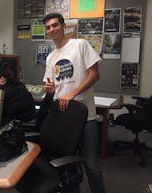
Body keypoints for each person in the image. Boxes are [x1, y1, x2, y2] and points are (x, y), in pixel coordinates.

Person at [43, 13, 106, 193]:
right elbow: (53, 87)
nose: (52, 30)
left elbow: (95, 74)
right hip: (63, 119)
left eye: (55, 25)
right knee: (67, 164)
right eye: (48, 27)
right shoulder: (50, 57)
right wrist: (50, 89)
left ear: (64, 26)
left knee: (91, 164)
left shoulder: (80, 45)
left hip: (86, 116)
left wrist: (72, 93)